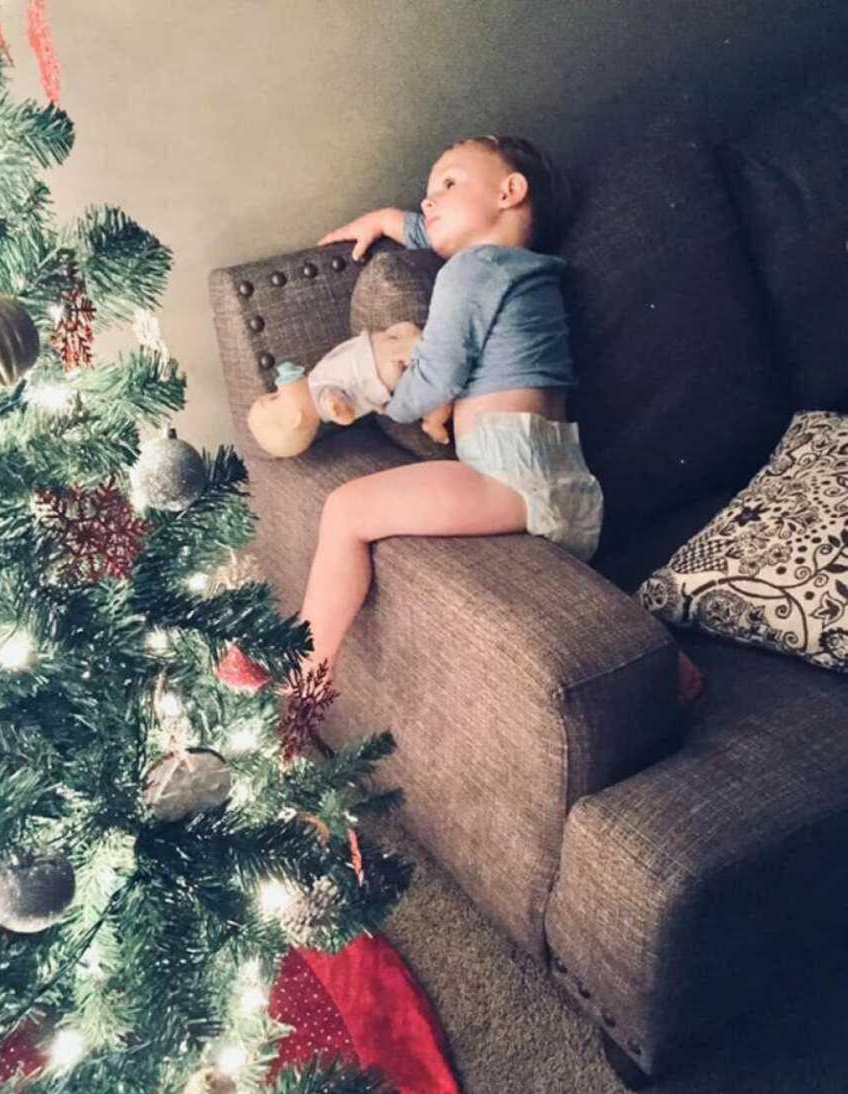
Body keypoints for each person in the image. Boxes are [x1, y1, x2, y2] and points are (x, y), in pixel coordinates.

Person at [297, 134, 704, 705]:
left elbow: (438, 373)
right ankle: (665, 660)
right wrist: (395, 220)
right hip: (565, 480)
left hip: (507, 470)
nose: (429, 201)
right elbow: (442, 228)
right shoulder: (522, 270)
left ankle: (305, 672)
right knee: (548, 584)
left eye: (447, 183)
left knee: (346, 511)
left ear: (511, 191)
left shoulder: (471, 271)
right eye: (426, 195)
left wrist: (390, 401)